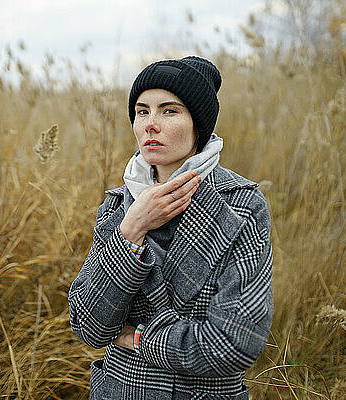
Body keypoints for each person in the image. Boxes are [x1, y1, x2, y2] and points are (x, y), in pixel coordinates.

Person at [68, 55, 273, 400]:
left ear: (199, 125)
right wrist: (131, 231)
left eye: (169, 110)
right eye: (142, 111)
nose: (150, 124)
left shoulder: (241, 206)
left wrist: (137, 338)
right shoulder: (118, 207)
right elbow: (89, 327)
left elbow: (235, 342)